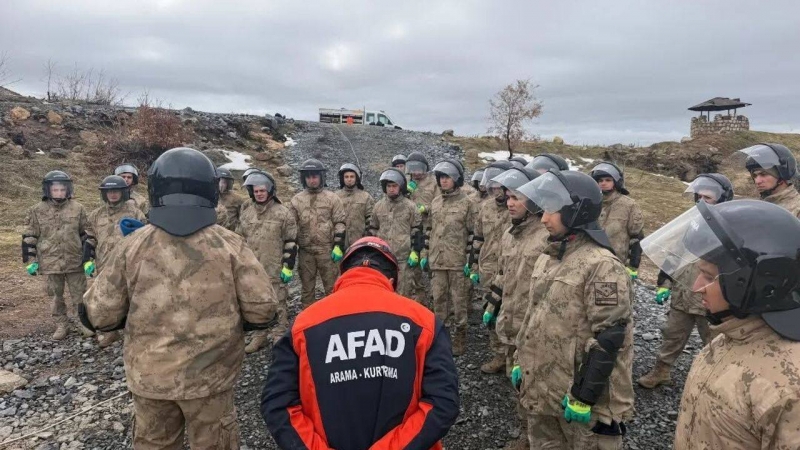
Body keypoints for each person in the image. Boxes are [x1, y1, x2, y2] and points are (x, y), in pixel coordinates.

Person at [81, 147, 277, 449]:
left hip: (151, 379)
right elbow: (263, 308)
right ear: (210, 190)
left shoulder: (131, 246)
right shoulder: (230, 245)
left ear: (156, 190)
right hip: (211, 380)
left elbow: (99, 314)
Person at [261, 237, 460, 450]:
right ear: (392, 281)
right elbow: (443, 402)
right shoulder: (425, 322)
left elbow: (278, 404)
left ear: (344, 274)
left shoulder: (302, 325)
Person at [641, 199, 800, 450]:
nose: (696, 288)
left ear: (750, 285)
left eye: (708, 277)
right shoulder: (728, 336)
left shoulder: (788, 388)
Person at [513, 170, 634, 449]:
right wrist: (523, 359)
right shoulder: (549, 257)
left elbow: (611, 335)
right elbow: (534, 316)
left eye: (552, 210)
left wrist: (586, 395)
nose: (544, 218)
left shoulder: (602, 265)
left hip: (580, 402)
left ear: (576, 211)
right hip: (543, 390)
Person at [638, 173, 734, 388]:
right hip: (682, 292)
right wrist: (664, 284)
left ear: (722, 198)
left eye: (707, 197)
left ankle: (714, 382)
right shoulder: (690, 222)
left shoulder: (730, 226)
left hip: (710, 297)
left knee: (714, 342)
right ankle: (661, 371)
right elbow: (673, 255)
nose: (701, 201)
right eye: (698, 196)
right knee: (672, 335)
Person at [482, 166, 548, 450]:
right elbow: (501, 274)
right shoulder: (510, 233)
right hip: (510, 324)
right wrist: (492, 306)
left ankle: (540, 439)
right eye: (508, 196)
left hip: (535, 330)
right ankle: (526, 432)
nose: (509, 202)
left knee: (536, 389)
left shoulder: (547, 236)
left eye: (517, 197)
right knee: (516, 382)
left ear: (533, 200)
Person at [22, 170, 96, 341]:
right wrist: (31, 261)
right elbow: (29, 236)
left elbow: (87, 235)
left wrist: (88, 260)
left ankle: (82, 322)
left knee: (80, 294)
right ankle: (62, 324)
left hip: (74, 260)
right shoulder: (36, 210)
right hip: (50, 262)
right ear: (48, 190)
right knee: (55, 296)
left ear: (68, 190)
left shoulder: (78, 208)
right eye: (55, 190)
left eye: (62, 189)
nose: (59, 193)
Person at [236, 170, 298, 354]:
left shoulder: (282, 213)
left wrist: (288, 266)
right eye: (255, 191)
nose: (259, 194)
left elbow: (291, 241)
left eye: (262, 190)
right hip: (251, 268)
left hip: (274, 266)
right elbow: (239, 238)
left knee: (279, 301)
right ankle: (259, 336)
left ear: (270, 191)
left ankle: (279, 335)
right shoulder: (246, 212)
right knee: (255, 302)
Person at [86, 175, 146, 348]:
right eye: (109, 192)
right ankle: (110, 332)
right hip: (104, 263)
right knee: (107, 297)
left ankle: (133, 331)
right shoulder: (96, 215)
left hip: (130, 262)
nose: (113, 194)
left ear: (123, 192)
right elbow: (90, 237)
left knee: (133, 295)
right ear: (104, 194)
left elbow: (144, 234)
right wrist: (87, 258)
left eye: (117, 191)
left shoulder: (134, 211)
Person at [426, 159, 477, 356]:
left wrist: (469, 260)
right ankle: (441, 335)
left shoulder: (467, 203)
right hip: (437, 260)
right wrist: (426, 253)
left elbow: (473, 233)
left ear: (456, 179)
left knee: (459, 300)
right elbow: (430, 229)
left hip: (457, 262)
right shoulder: (436, 202)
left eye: (447, 177)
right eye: (440, 178)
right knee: (438, 299)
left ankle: (460, 335)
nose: (443, 181)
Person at [468, 160, 514, 373]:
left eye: (500, 187)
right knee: (491, 313)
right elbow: (478, 237)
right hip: (488, 269)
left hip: (512, 271)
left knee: (511, 315)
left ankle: (513, 358)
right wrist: (474, 265)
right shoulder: (485, 207)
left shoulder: (518, 208)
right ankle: (498, 355)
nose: (496, 191)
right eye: (493, 187)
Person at [289, 158, 347, 307]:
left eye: (314, 176)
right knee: (307, 289)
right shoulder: (296, 200)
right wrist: (289, 257)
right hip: (305, 252)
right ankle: (308, 321)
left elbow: (340, 222)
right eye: (308, 177)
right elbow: (291, 227)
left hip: (327, 251)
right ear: (304, 179)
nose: (312, 180)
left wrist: (338, 245)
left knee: (332, 288)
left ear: (321, 177)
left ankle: (335, 317)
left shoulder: (332, 198)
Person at [367, 168, 424, 299]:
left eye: (394, 186)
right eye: (388, 186)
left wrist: (415, 251)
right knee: (382, 294)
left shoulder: (410, 207)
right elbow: (372, 229)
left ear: (401, 187)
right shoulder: (378, 206)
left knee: (403, 295)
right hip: (383, 259)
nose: (391, 189)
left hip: (403, 260)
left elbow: (417, 231)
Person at [589, 161, 645, 281]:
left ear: (616, 182)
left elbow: (637, 237)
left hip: (615, 266)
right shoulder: (590, 203)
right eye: (600, 180)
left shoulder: (629, 205)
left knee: (607, 298)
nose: (603, 183)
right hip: (588, 263)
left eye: (608, 180)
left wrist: (633, 266)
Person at [405, 151, 439, 305]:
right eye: (413, 169)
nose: (416, 173)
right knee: (414, 263)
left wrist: (425, 208)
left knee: (430, 262)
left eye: (419, 169)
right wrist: (406, 191)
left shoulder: (434, 183)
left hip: (429, 228)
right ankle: (420, 296)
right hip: (412, 229)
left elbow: (440, 203)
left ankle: (435, 296)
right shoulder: (407, 183)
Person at [737, 142, 800, 217]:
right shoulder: (760, 206)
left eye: (763, 174)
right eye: (754, 175)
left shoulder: (796, 210)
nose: (757, 181)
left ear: (782, 174)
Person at [336, 163, 375, 249]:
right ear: (342, 179)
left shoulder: (366, 197)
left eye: (352, 177)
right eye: (346, 177)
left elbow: (371, 222)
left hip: (359, 244)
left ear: (357, 178)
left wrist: (366, 240)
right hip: (339, 245)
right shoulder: (335, 197)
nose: (349, 179)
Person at [215, 166, 245, 231]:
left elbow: (243, 218)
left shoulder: (236, 198)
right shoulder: (209, 195)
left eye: (224, 182)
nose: (221, 185)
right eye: (219, 182)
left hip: (231, 232)